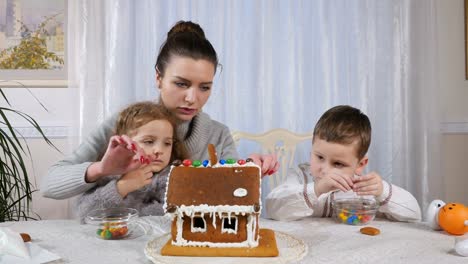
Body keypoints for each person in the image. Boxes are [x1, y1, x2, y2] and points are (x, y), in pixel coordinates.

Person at [41, 21, 279, 200]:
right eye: (181, 84)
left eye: (204, 87)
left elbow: (233, 196)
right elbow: (49, 184)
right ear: (159, 78)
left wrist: (248, 169)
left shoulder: (218, 135)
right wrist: (101, 169)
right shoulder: (125, 125)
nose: (192, 98)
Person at [265, 105, 421, 222]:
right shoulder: (301, 177)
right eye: (319, 157)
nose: (325, 170)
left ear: (360, 165)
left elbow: (414, 215)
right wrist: (317, 189)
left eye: (338, 164)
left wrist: (383, 191)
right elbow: (273, 209)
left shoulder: (363, 187)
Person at [76, 101, 188, 220]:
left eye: (167, 143)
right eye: (149, 141)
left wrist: (125, 212)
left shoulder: (173, 176)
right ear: (126, 143)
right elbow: (85, 215)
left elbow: (177, 213)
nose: (159, 150)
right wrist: (122, 187)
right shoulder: (109, 175)